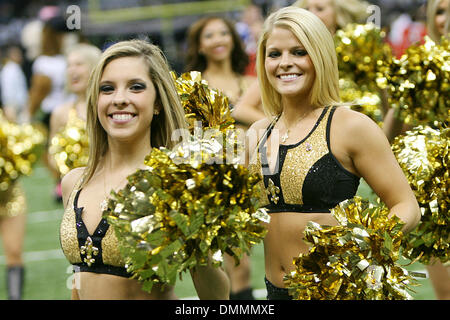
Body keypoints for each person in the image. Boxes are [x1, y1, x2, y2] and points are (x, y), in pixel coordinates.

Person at [246, 6, 421, 300]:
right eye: (274, 54)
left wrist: (361, 248)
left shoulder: (350, 125)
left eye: (299, 52)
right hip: (274, 293)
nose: (284, 63)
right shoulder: (257, 132)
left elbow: (406, 207)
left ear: (320, 56)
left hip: (335, 293)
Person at [60, 39, 230, 300]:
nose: (119, 99)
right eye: (107, 89)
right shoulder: (75, 182)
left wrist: (195, 234)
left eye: (136, 87)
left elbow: (217, 297)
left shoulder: (174, 183)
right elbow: (79, 283)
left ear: (158, 102)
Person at [185, 15, 258, 299]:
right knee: (236, 264)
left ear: (233, 40)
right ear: (199, 46)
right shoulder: (193, 86)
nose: (218, 40)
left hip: (260, 175)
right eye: (209, 35)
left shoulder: (252, 82)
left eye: (223, 33)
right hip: (217, 181)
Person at [384, 0, 450, 300]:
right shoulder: (419, 63)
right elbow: (394, 124)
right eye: (440, 12)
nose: (446, 20)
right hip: (436, 183)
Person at [48, 43, 101, 198]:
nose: (72, 70)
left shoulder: (109, 108)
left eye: (78, 64)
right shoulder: (60, 113)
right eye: (69, 65)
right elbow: (52, 155)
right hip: (75, 190)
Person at [0, 45, 28, 123]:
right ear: (11, 55)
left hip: (19, 106)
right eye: (17, 54)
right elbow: (7, 90)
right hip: (13, 106)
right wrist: (9, 107)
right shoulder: (9, 69)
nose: (20, 56)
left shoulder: (16, 68)